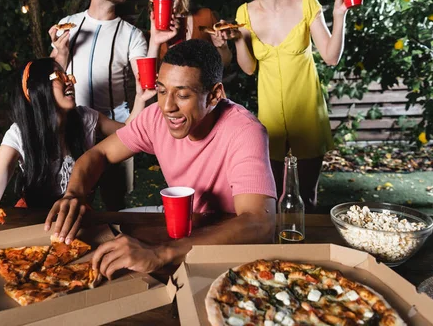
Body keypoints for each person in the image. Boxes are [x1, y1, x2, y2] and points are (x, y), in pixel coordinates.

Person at [44, 40, 277, 279]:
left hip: (231, 258)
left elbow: (260, 224)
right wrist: (74, 193)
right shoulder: (154, 117)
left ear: (215, 95)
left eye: (183, 94)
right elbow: (98, 153)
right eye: (162, 90)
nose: (167, 106)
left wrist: (160, 254)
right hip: (185, 235)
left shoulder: (245, 131)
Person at [227, 0, 348, 208]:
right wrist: (236, 40)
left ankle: (311, 249)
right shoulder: (243, 13)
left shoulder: (306, 3)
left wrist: (340, 15)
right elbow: (248, 68)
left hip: (307, 115)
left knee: (307, 198)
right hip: (270, 121)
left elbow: (330, 56)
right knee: (273, 200)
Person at [0, 58, 155, 212]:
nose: (69, 82)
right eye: (58, 77)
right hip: (32, 219)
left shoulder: (86, 117)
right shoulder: (19, 133)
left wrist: (140, 97)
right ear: (37, 89)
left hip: (76, 215)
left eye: (67, 76)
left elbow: (129, 133)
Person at [48, 0, 148, 211]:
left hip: (112, 130)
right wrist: (58, 53)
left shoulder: (132, 35)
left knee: (114, 203)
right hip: (73, 128)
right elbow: (49, 78)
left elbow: (144, 82)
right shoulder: (67, 26)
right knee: (71, 199)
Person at [145, 0, 232, 67]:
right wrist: (154, 43)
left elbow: (225, 64)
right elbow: (149, 77)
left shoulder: (205, 17)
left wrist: (223, 47)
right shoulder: (152, 34)